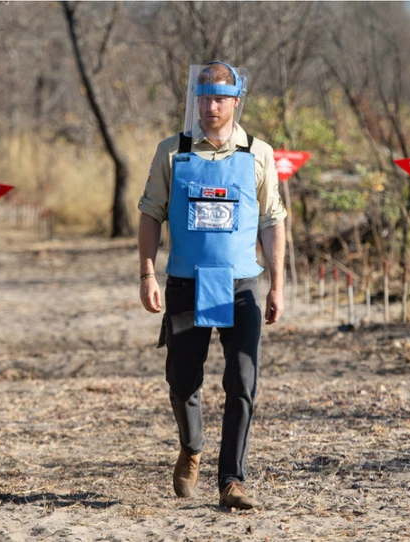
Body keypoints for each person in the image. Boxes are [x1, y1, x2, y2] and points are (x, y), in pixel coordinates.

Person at [137, 61, 286, 510]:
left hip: (241, 284)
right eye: (204, 97)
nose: (211, 106)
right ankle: (192, 447)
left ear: (236, 100)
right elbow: (149, 214)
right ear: (194, 100)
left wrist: (277, 284)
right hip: (186, 281)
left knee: (242, 380)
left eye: (220, 98)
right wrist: (147, 273)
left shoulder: (258, 153)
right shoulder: (172, 151)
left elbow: (272, 220)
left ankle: (231, 481)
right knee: (183, 381)